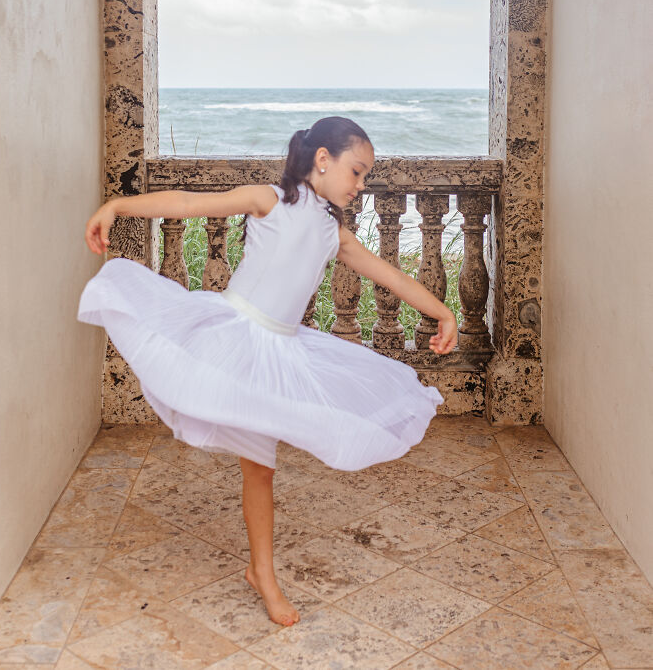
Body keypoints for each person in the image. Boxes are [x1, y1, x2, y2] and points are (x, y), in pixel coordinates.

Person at [80, 117, 458, 628]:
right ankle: (263, 573)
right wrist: (117, 206)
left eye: (365, 175)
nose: (361, 184)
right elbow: (188, 204)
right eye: (357, 171)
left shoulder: (333, 233)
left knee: (260, 469)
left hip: (280, 353)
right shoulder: (269, 200)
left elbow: (389, 275)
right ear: (322, 159)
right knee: (256, 464)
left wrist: (443, 312)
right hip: (234, 336)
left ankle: (261, 572)